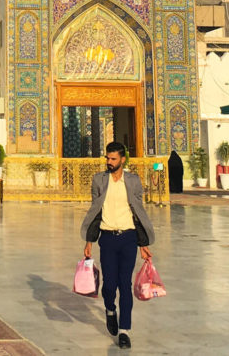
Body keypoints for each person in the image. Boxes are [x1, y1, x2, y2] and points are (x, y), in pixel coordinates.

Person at [80, 142, 155, 350]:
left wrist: (143, 244)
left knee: (125, 284)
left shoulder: (132, 181)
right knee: (110, 284)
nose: (109, 162)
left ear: (122, 159)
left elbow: (138, 212)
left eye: (113, 159)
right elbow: (95, 211)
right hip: (108, 238)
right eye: (107, 158)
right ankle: (110, 309)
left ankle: (124, 330)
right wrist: (89, 241)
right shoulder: (99, 180)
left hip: (128, 237)